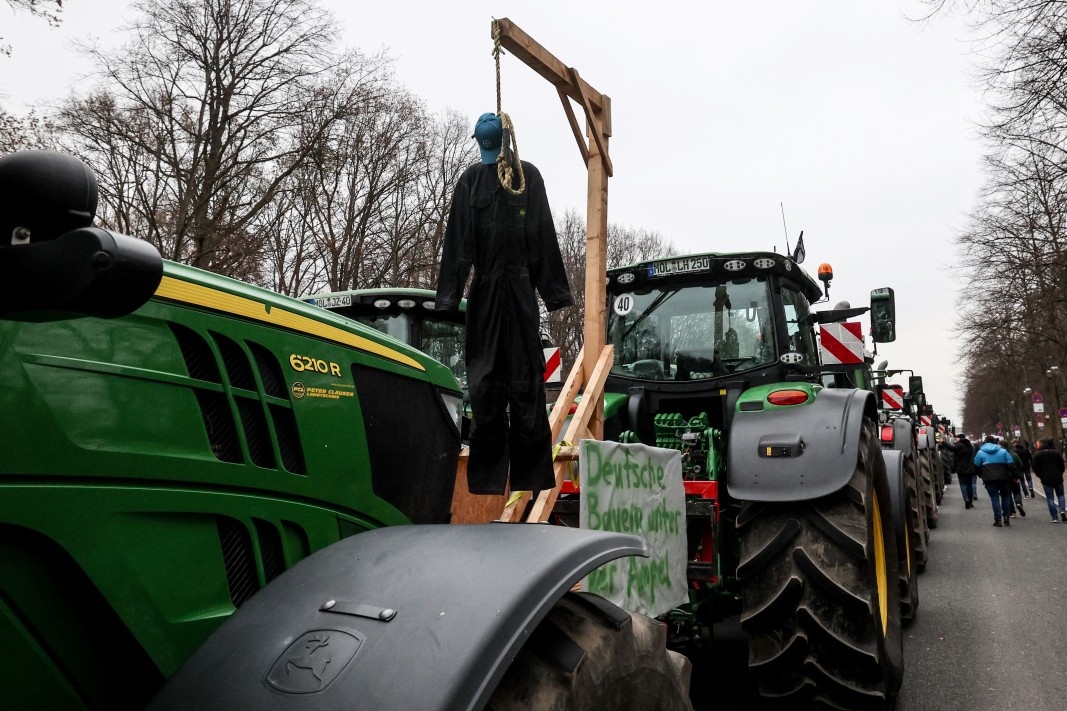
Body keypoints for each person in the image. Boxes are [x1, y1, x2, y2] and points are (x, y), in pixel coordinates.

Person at [436, 113, 573, 495]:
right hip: (487, 291)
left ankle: (530, 476)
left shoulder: (526, 177)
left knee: (526, 380)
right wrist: (449, 295)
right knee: (486, 383)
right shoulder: (470, 181)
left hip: (520, 288)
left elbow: (543, 234)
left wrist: (554, 292)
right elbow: (457, 242)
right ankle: (488, 479)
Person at [973, 435, 1016, 526]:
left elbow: (976, 466)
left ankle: (998, 519)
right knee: (1005, 496)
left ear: (985, 442)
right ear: (995, 442)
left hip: (989, 478)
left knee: (994, 498)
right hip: (1003, 478)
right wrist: (1013, 475)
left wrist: (981, 475)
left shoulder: (980, 453)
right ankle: (1006, 517)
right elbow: (1011, 464)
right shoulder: (1003, 451)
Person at [1032, 437, 1067, 522]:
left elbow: (1035, 467)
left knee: (1050, 497)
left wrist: (1040, 475)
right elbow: (1062, 465)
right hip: (1057, 477)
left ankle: (1054, 517)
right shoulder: (1056, 453)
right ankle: (1062, 510)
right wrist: (1060, 473)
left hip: (1046, 478)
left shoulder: (1037, 455)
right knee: (1061, 495)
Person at [943, 432, 977, 507]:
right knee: (969, 485)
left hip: (961, 468)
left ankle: (966, 499)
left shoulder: (959, 445)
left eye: (957, 438)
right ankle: (970, 501)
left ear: (959, 438)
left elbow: (951, 448)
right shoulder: (971, 446)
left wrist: (943, 442)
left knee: (962, 484)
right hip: (970, 468)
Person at [1000, 437, 1025, 518]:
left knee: (1008, 494)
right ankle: (1018, 502)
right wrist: (1018, 475)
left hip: (1004, 477)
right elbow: (1020, 465)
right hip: (1014, 476)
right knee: (1017, 491)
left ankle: (1012, 512)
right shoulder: (1014, 455)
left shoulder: (1000, 455)